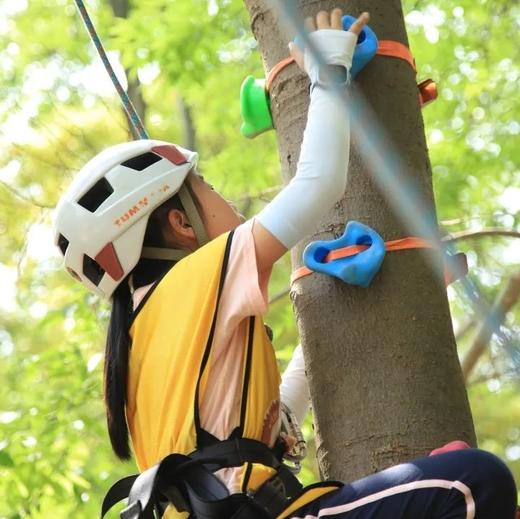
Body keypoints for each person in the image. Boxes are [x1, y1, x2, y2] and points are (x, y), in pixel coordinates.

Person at [54, 8, 517, 519]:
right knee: (471, 482)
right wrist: (328, 72)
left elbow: (268, 424)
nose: (223, 195)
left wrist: (335, 307)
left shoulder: (145, 338)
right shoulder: (197, 276)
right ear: (181, 225)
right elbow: (319, 184)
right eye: (206, 187)